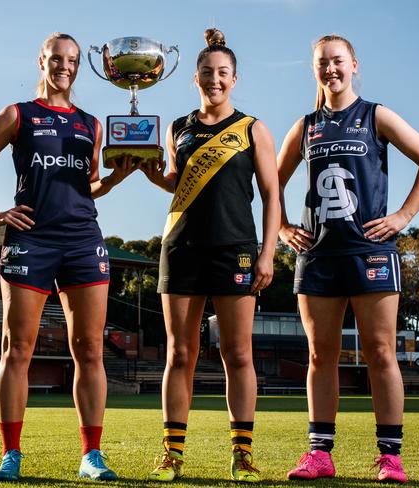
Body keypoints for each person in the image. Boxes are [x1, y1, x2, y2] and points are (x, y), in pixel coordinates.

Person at [0, 32, 135, 482]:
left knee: (90, 350)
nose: (65, 67)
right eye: (57, 58)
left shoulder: (91, 123)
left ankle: (91, 455)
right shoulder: (17, 115)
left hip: (83, 239)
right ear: (41, 60)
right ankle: (11, 454)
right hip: (31, 240)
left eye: (73, 60)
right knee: (16, 348)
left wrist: (114, 181)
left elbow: (90, 183)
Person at [278, 34, 419, 484]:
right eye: (321, 63)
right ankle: (319, 455)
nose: (330, 69)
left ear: (354, 64)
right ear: (314, 70)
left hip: (370, 251)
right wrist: (281, 227)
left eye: (337, 61)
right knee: (319, 355)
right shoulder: (306, 125)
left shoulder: (375, 115)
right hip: (318, 257)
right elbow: (270, 182)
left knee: (381, 352)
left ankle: (391, 458)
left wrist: (404, 216)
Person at [141, 28, 280, 483]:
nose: (214, 80)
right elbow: (175, 180)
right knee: (180, 354)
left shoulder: (253, 128)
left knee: (238, 354)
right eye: (206, 73)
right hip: (180, 246)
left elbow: (271, 195)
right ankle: (172, 456)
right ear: (195, 79)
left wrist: (266, 253)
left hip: (235, 250)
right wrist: (145, 168)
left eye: (222, 73)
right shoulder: (177, 127)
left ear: (235, 79)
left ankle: (242, 455)